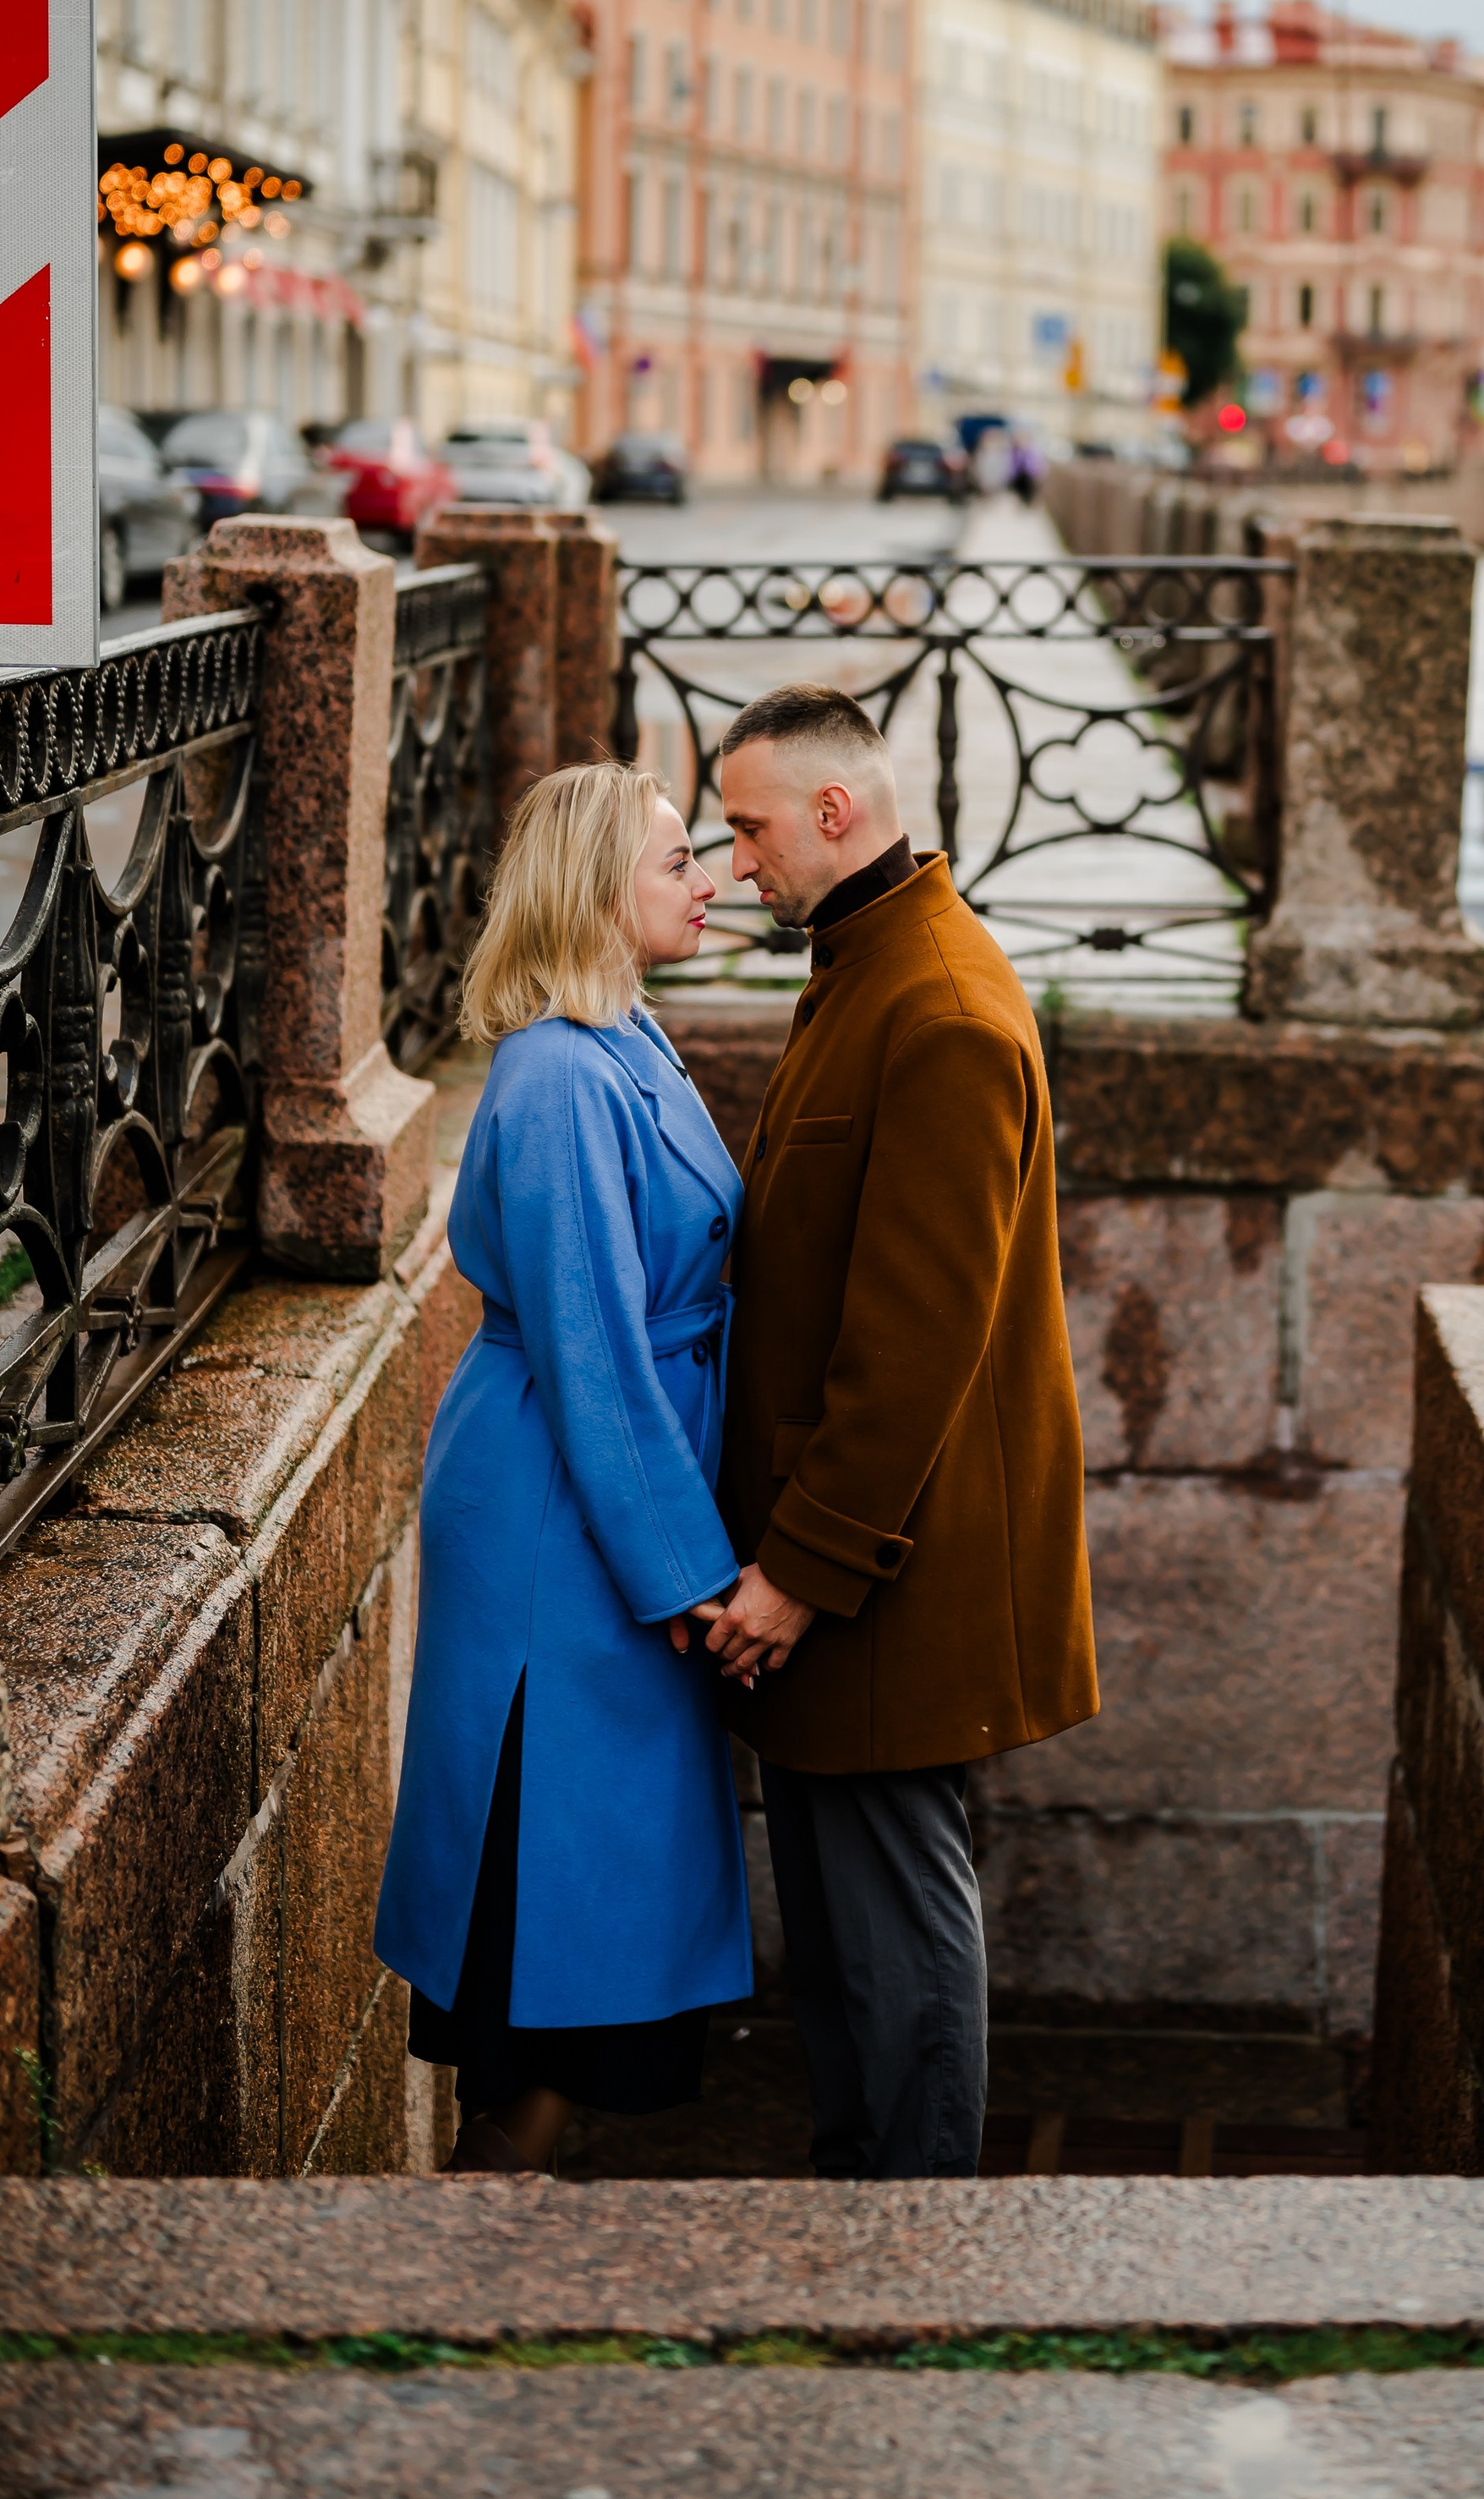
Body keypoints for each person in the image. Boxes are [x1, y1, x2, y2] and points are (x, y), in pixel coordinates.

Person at [683, 682, 1096, 2181]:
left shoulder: (939, 1005)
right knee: (848, 1933)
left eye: (748, 829)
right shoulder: (874, 965)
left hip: (877, 1572)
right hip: (850, 1557)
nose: (736, 863)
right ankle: (864, 2210)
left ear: (835, 813)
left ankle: (918, 2247)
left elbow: (915, 1348)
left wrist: (799, 1568)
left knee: (900, 1921)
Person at [375, 761, 751, 2177]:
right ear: (597, 892)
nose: (706, 881)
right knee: (539, 1906)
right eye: (675, 864)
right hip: (562, 1505)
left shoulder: (622, 1036)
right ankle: (482, 2227)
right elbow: (590, 1343)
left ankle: (497, 2212)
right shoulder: (553, 1076)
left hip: (608, 1477)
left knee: (579, 1912)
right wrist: (686, 1574)